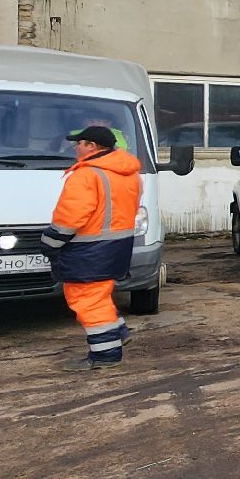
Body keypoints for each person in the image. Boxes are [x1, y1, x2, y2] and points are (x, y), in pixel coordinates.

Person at [41, 125, 142, 371]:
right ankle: (118, 333)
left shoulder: (86, 175)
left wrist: (50, 242)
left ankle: (105, 354)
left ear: (92, 147)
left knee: (87, 300)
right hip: (117, 246)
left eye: (80, 143)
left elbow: (70, 217)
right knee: (99, 295)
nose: (76, 148)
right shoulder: (129, 173)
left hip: (88, 248)